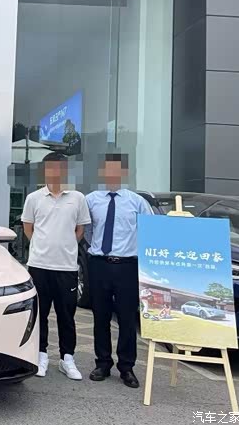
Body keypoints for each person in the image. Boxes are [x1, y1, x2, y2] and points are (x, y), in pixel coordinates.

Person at [21, 152, 90, 380]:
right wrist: (43, 246)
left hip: (66, 267)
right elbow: (28, 228)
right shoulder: (34, 198)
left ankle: (67, 358)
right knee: (40, 313)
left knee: (66, 315)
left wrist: (65, 246)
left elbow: (80, 230)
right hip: (39, 265)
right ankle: (41, 355)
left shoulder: (77, 198)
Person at [85, 153, 151, 389]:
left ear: (124, 173)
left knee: (126, 318)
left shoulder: (137, 202)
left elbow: (149, 231)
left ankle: (127, 367)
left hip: (127, 266)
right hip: (99, 264)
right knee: (100, 316)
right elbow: (87, 231)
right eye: (108, 170)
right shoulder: (91, 200)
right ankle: (102, 363)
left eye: (117, 170)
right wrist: (98, 250)